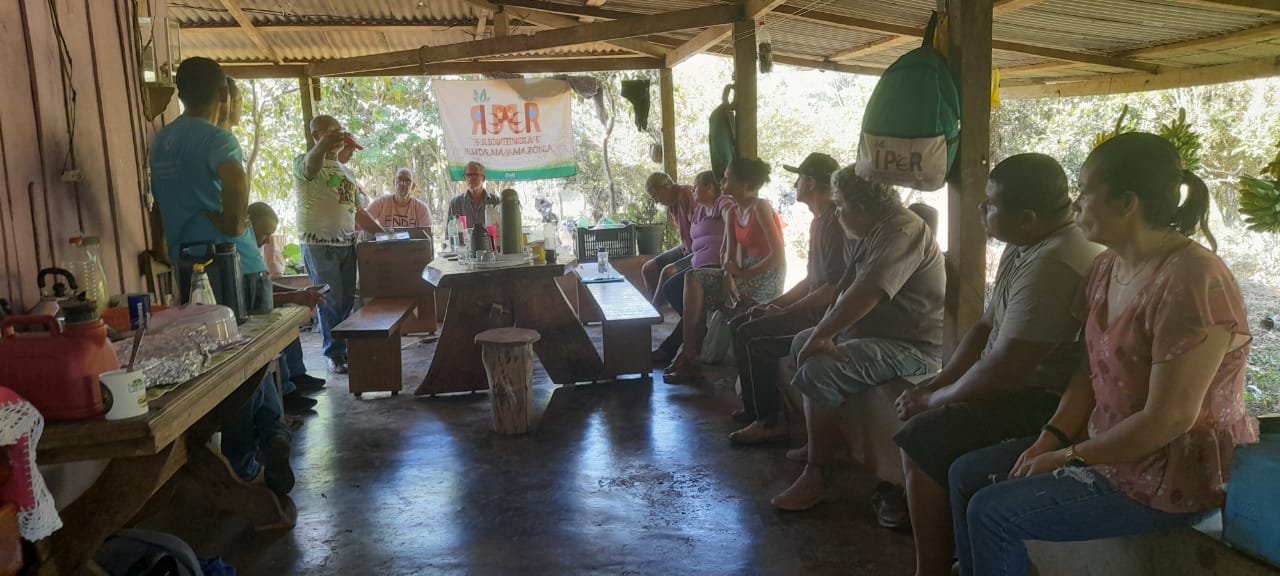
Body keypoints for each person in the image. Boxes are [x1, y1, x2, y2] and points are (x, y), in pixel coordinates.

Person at [949, 133, 1257, 576]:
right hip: (1107, 448)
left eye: (1085, 191)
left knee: (993, 512)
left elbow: (1169, 419)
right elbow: (1087, 372)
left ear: (1127, 203)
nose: (1075, 204)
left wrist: (1069, 456)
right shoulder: (1105, 267)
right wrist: (1051, 438)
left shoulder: (1193, 280)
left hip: (1171, 473)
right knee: (966, 475)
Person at [889, 154, 1101, 573]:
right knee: (932, 425)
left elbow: (1005, 370)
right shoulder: (1026, 243)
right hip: (1016, 387)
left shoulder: (1054, 262)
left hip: (1048, 400)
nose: (981, 210)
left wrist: (932, 401)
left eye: (990, 204)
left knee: (921, 438)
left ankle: (931, 568)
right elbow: (986, 327)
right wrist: (938, 384)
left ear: (1027, 217)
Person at [150, 57, 293, 495]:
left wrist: (166, 245)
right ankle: (245, 460)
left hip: (188, 265)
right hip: (235, 264)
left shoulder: (162, 141)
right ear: (223, 95)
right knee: (244, 364)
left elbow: (157, 205)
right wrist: (232, 222)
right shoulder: (217, 138)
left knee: (226, 362)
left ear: (180, 93)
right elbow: (236, 180)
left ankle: (268, 437)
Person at [771, 166, 945, 512]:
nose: (837, 213)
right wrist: (821, 333)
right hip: (880, 336)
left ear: (861, 207)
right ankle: (822, 442)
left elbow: (867, 291)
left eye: (841, 205)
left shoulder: (902, 230)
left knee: (819, 369)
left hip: (913, 348)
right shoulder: (876, 230)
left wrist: (824, 334)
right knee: (801, 342)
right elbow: (846, 290)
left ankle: (818, 474)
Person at [726, 152, 849, 445]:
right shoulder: (819, 221)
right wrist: (776, 305)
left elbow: (832, 289)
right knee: (740, 323)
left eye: (799, 179)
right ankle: (755, 411)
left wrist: (785, 311)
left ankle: (771, 422)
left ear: (810, 182)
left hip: (826, 319)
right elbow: (810, 280)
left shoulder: (835, 223)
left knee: (752, 337)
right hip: (812, 310)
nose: (795, 185)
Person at [666, 158, 786, 383]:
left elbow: (777, 257)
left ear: (745, 184)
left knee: (695, 281)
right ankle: (690, 357)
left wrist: (743, 274)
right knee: (694, 279)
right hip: (742, 273)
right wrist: (727, 275)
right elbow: (727, 255)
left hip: (766, 276)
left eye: (728, 178)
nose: (722, 182)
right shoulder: (733, 212)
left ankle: (689, 357)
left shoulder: (760, 207)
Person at [294, 114, 384, 374]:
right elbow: (311, 165)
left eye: (339, 131)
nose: (339, 136)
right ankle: (333, 354)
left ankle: (343, 350)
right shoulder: (305, 163)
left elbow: (357, 212)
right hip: (318, 243)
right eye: (331, 131)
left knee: (345, 300)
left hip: (346, 243)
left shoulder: (347, 172)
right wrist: (325, 143)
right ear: (316, 135)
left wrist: (383, 235)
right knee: (329, 300)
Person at [248, 203, 330, 415]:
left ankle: (296, 375)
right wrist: (294, 295)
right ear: (249, 225)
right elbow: (253, 298)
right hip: (250, 314)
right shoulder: (241, 251)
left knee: (288, 318)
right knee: (279, 324)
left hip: (258, 306)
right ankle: (285, 390)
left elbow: (264, 284)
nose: (268, 241)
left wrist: (299, 291)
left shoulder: (250, 250)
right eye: (265, 233)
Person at [650, 171, 736, 365]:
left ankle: (676, 348)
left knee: (676, 286)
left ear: (710, 188)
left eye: (697, 186)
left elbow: (731, 216)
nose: (693, 189)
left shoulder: (722, 203)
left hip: (715, 264)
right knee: (671, 288)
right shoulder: (700, 211)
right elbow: (690, 239)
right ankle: (695, 329)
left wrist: (727, 262)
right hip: (698, 261)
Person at [641, 172, 698, 310]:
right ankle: (660, 309)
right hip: (686, 248)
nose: (656, 201)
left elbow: (700, 229)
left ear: (666, 187)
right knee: (648, 268)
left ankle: (654, 310)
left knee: (668, 272)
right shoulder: (672, 204)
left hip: (699, 250)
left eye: (656, 195)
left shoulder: (687, 195)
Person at [367, 168, 432, 229]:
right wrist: (378, 232)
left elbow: (427, 235)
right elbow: (363, 221)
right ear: (394, 182)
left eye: (408, 181)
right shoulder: (381, 203)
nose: (403, 184)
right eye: (399, 179)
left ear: (413, 186)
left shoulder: (422, 209)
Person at [448, 161, 500, 228]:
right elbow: (450, 231)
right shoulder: (455, 204)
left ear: (483, 178)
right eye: (468, 175)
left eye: (475, 175)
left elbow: (502, 229)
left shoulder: (496, 202)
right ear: (465, 178)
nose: (471, 178)